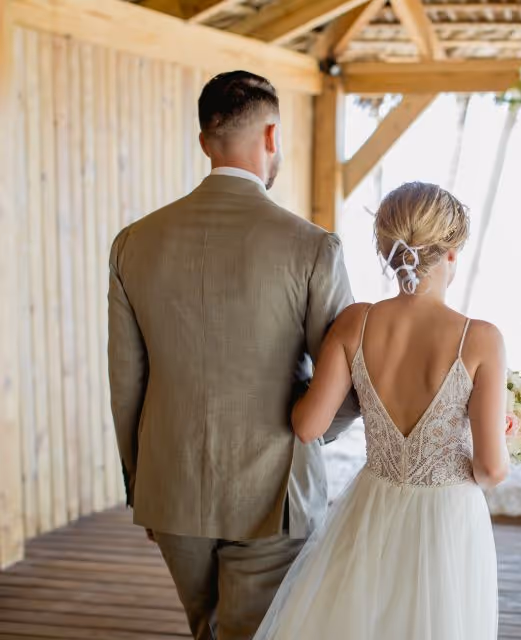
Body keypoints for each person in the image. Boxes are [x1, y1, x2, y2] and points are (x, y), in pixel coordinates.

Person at [107, 70, 360, 640]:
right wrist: (310, 435)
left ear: (205, 141)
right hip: (274, 491)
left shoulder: (133, 243)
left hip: (170, 486)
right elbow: (348, 376)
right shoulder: (312, 247)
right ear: (271, 136)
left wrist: (141, 483)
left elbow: (126, 383)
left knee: (207, 630)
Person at [252, 181, 509, 640]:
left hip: (373, 506)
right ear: (451, 252)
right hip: (448, 517)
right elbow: (490, 469)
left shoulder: (356, 322)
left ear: (387, 252)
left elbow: (308, 427)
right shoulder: (481, 339)